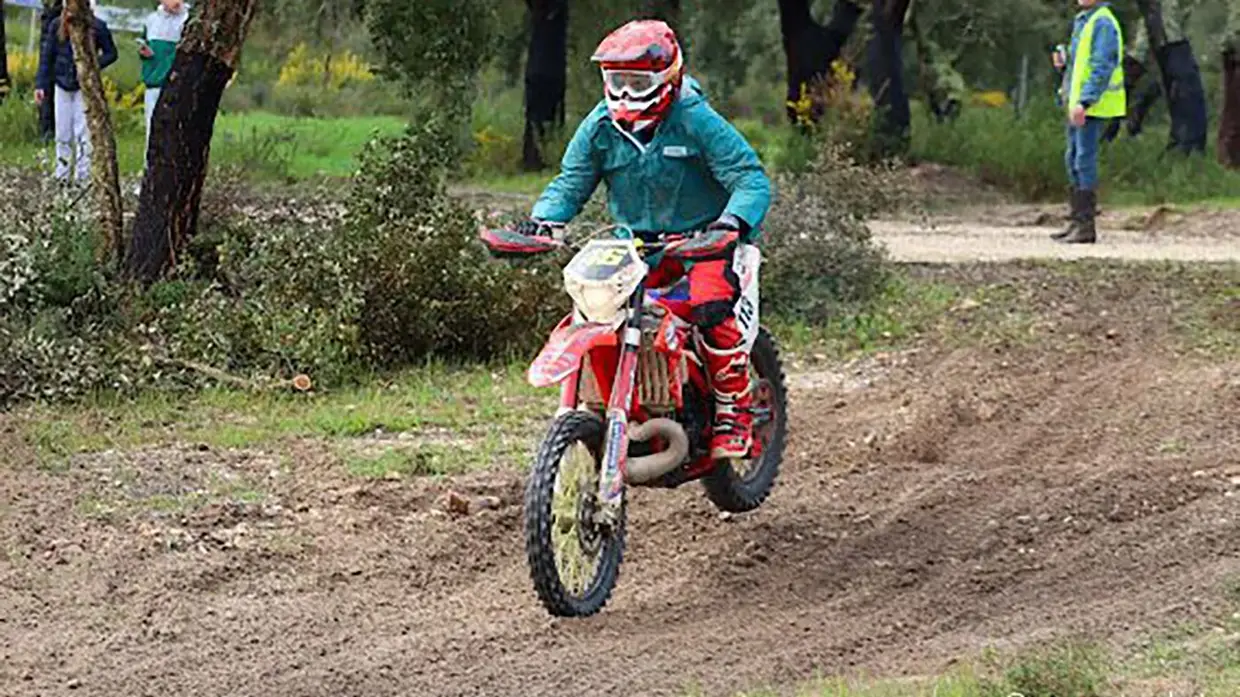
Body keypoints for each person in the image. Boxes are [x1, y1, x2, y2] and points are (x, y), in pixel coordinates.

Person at [519, 19, 772, 460]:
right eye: (617, 81)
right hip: (634, 247)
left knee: (711, 306)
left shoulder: (695, 119)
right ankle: (613, 405)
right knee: (595, 311)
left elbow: (750, 179)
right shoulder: (599, 126)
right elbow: (570, 183)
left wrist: (730, 224)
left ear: (667, 77)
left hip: (701, 244)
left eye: (638, 82)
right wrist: (543, 222)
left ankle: (735, 409)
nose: (626, 93)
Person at [1051, 0, 1126, 244]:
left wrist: (1085, 101)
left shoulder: (1102, 21)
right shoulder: (1084, 20)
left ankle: (1085, 225)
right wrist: (1065, 59)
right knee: (1072, 157)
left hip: (1091, 106)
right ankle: (1076, 220)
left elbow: (1101, 65)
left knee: (1084, 159)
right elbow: (1080, 64)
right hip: (1077, 104)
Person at [34, 0, 118, 184]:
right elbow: (47, 57)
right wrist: (40, 84)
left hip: (84, 85)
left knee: (83, 132)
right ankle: (62, 174)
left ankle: (82, 175)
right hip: (61, 84)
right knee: (62, 131)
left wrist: (93, 65)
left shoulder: (97, 26)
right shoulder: (57, 24)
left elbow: (112, 53)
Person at [138, 0, 188, 158]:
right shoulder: (152, 20)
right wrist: (144, 53)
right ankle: (150, 168)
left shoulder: (187, 21)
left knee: (173, 129)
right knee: (151, 128)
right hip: (153, 82)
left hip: (174, 84)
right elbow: (145, 46)